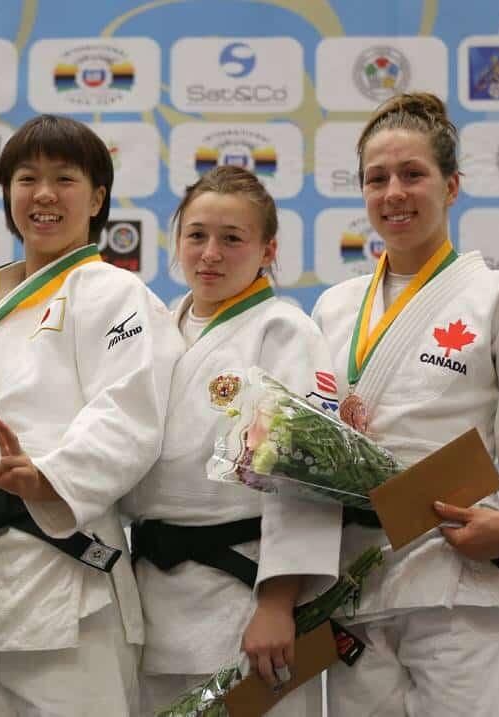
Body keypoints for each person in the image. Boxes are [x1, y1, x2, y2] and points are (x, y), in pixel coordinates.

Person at [0, 114, 183, 716]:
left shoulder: (114, 294)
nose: (43, 195)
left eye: (64, 179)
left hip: (65, 577)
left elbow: (129, 412)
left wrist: (48, 475)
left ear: (97, 197)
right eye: (26, 178)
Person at [312, 92, 499, 716]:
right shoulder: (333, 308)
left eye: (413, 174)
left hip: (464, 578)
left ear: (453, 185)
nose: (394, 193)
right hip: (359, 584)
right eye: (376, 179)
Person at [122, 165, 342, 716]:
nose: (210, 254)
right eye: (196, 236)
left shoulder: (283, 331)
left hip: (244, 597)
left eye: (232, 239)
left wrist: (277, 601)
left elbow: (305, 476)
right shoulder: (157, 332)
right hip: (154, 594)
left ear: (268, 250)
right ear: (176, 242)